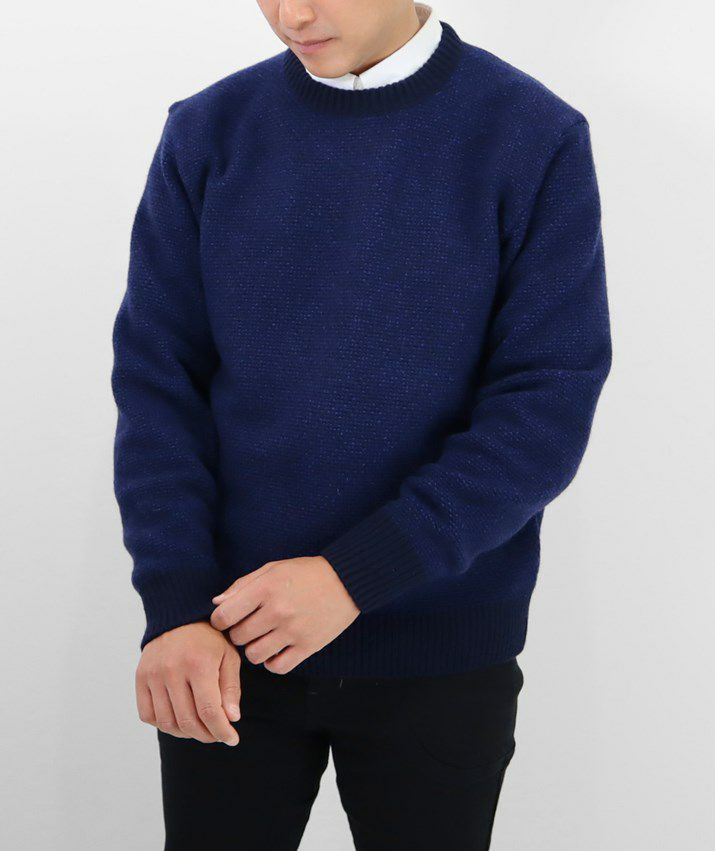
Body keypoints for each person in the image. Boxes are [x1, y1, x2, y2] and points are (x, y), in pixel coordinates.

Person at [111, 2, 612, 848]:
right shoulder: (209, 130)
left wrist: (356, 575)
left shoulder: (530, 134)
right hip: (226, 639)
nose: (291, 14)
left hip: (439, 649)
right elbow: (159, 384)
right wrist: (174, 607)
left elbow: (546, 401)